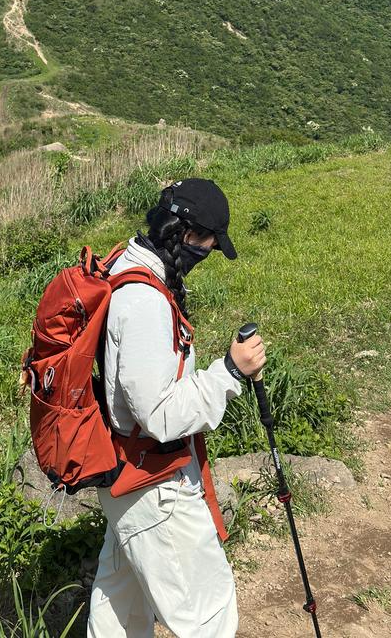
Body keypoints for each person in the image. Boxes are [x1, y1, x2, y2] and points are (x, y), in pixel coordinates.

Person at [86, 177, 266, 638]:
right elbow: (159, 414)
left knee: (120, 610)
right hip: (154, 484)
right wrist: (230, 371)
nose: (206, 254)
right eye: (207, 242)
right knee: (207, 610)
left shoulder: (125, 263)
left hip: (124, 478)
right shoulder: (144, 300)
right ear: (185, 235)